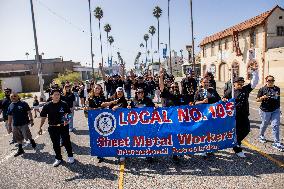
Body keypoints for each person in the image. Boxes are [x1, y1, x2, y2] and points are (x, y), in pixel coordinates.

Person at [223, 64, 259, 157]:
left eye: (242, 83)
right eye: (239, 83)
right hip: (235, 115)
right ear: (234, 83)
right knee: (237, 131)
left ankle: (236, 142)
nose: (241, 85)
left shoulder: (245, 89)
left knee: (246, 130)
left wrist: (254, 72)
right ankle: (237, 148)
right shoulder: (230, 91)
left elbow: (254, 83)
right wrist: (224, 100)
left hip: (244, 114)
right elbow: (223, 100)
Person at [38, 89, 74, 167]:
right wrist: (40, 127)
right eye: (55, 94)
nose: (57, 96)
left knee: (66, 141)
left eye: (58, 94)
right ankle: (58, 158)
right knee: (55, 143)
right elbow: (43, 117)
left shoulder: (64, 104)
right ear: (51, 96)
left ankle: (70, 156)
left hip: (63, 126)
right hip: (52, 127)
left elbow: (69, 114)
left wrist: (67, 120)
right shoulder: (47, 105)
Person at [194, 77, 221, 158]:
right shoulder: (198, 92)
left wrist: (224, 101)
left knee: (211, 132)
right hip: (202, 115)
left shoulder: (213, 91)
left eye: (207, 82)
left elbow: (219, 100)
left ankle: (209, 148)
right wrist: (202, 102)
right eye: (204, 82)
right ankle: (202, 149)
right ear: (201, 83)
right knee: (203, 132)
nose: (206, 84)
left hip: (212, 115)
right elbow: (195, 103)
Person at [128, 88, 156, 162]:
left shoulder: (148, 100)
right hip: (137, 124)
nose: (139, 94)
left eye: (141, 93)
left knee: (147, 139)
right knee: (137, 139)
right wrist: (129, 107)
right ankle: (136, 152)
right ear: (136, 93)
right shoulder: (133, 101)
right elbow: (129, 108)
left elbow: (153, 107)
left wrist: (156, 106)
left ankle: (149, 155)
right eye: (138, 93)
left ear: (143, 93)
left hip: (146, 124)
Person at [256, 75, 283, 151]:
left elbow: (277, 99)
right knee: (265, 124)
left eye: (272, 80)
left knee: (275, 125)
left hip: (275, 110)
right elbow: (257, 100)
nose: (271, 82)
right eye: (269, 80)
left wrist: (279, 109)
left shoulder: (277, 88)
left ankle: (276, 142)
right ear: (266, 81)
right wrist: (262, 97)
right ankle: (261, 135)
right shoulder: (262, 89)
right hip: (265, 110)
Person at [101, 87, 128, 162]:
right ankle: (113, 150)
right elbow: (102, 104)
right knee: (112, 137)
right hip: (111, 121)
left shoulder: (124, 101)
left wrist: (118, 107)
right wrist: (111, 103)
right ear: (116, 92)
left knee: (122, 137)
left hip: (121, 122)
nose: (119, 93)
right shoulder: (111, 98)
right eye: (118, 92)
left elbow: (124, 108)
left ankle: (122, 153)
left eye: (121, 92)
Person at [7, 92, 36, 157]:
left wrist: (31, 120)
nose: (13, 98)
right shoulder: (10, 105)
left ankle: (31, 140)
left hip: (24, 123)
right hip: (15, 124)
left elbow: (29, 112)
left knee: (27, 135)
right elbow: (9, 116)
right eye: (11, 97)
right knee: (18, 137)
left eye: (14, 96)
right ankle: (20, 150)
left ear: (18, 97)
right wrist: (9, 126)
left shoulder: (23, 103)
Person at [85, 84, 107, 162]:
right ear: (93, 89)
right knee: (95, 137)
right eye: (96, 88)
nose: (98, 89)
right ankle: (98, 153)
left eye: (99, 88)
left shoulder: (103, 98)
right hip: (92, 120)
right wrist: (88, 108)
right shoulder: (89, 98)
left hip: (101, 121)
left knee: (102, 137)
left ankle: (102, 153)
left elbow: (105, 109)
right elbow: (86, 111)